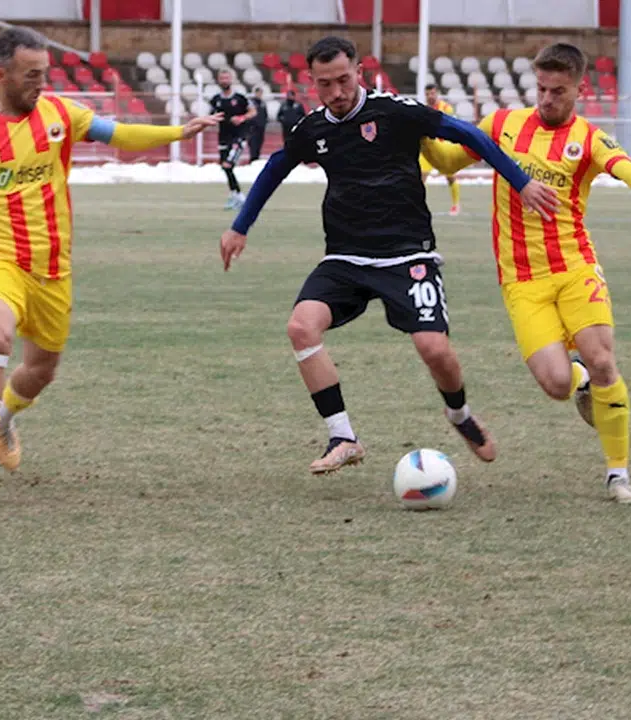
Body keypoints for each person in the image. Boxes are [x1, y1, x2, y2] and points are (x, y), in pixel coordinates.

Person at [0, 27, 220, 493]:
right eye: (31, 74)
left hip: (53, 267)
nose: (41, 83)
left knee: (41, 370)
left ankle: (4, 419)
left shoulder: (60, 113)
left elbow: (118, 133)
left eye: (44, 73)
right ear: (1, 74)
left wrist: (179, 131)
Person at [218, 36, 559, 475]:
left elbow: (469, 134)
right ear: (312, 82)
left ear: (359, 72)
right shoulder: (313, 129)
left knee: (434, 348)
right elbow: (274, 169)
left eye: (344, 80)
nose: (337, 92)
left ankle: (459, 413)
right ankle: (343, 437)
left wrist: (521, 182)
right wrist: (240, 226)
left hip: (407, 254)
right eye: (325, 84)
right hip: (345, 258)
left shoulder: (396, 111)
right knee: (301, 328)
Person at [420, 43, 631, 504]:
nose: (546, 99)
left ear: (579, 89)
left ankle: (618, 475)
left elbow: (626, 171)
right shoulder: (502, 125)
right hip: (522, 281)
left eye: (557, 91)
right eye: (540, 89)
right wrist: (421, 131)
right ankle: (580, 383)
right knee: (557, 384)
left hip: (575, 268)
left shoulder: (590, 138)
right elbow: (447, 161)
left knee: (602, 359)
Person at [208, 69, 256, 209]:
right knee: (226, 168)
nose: (224, 81)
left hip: (238, 137)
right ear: (218, 80)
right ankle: (235, 195)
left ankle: (240, 197)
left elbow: (253, 111)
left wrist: (242, 118)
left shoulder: (240, 98)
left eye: (226, 78)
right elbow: (211, 115)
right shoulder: (216, 100)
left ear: (231, 80)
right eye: (222, 78)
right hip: (223, 137)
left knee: (227, 165)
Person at [417, 83, 462, 216]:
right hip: (428, 148)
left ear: (437, 93)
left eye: (432, 93)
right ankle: (419, 206)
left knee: (450, 177)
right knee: (421, 178)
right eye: (428, 94)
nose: (430, 96)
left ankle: (456, 204)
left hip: (443, 148)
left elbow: (451, 128)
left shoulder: (446, 108)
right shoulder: (423, 109)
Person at [247, 86, 269, 163]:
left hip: (261, 128)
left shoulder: (263, 103)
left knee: (259, 143)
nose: (259, 94)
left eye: (260, 93)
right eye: (258, 93)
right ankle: (252, 160)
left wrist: (264, 123)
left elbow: (265, 114)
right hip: (253, 128)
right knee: (253, 144)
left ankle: (257, 159)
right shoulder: (251, 103)